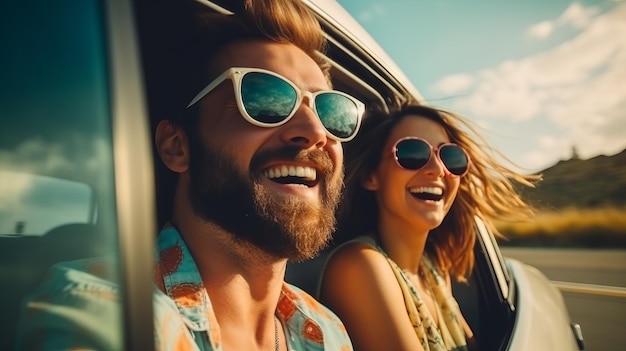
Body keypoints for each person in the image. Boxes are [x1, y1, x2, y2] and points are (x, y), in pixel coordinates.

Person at [14, 0, 364, 350]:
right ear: (176, 147)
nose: (316, 130)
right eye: (265, 98)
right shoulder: (106, 309)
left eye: (330, 110)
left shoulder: (328, 330)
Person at [317, 100, 539, 351]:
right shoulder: (359, 266)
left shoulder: (433, 270)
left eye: (450, 156)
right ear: (371, 176)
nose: (437, 169)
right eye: (412, 153)